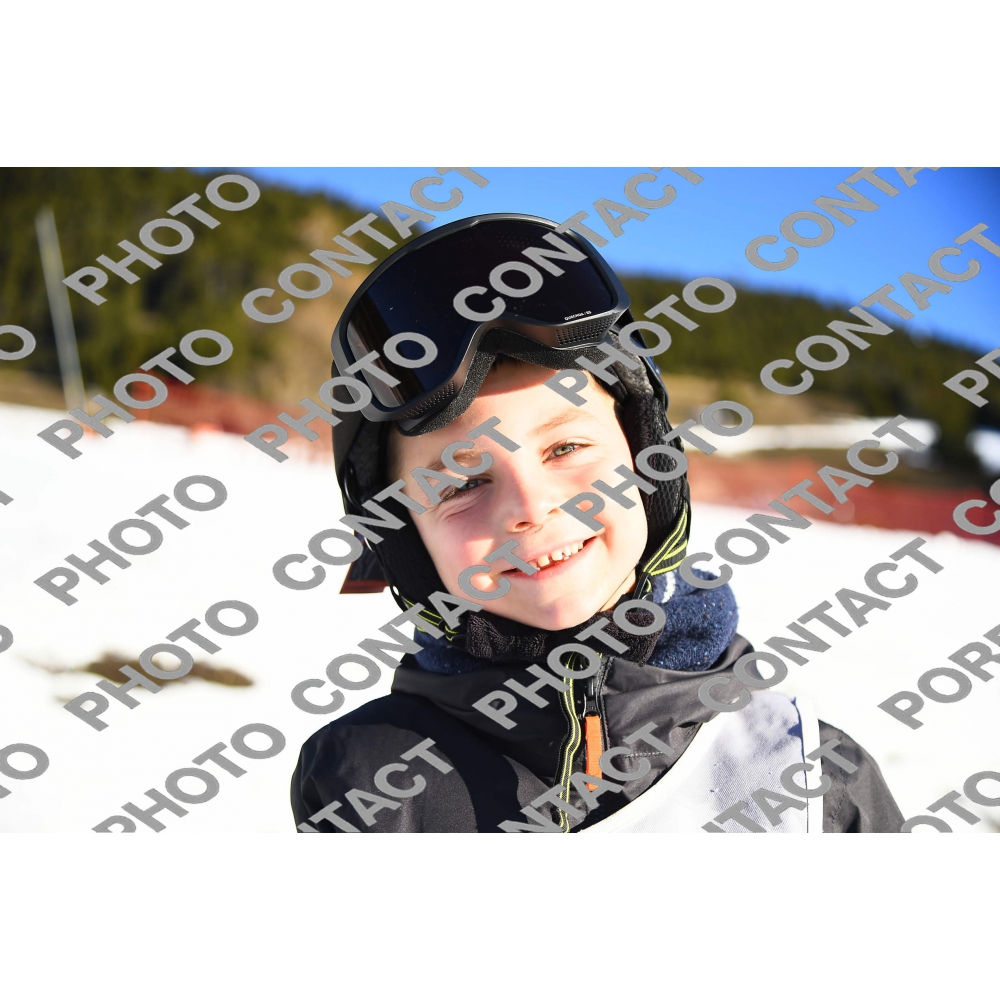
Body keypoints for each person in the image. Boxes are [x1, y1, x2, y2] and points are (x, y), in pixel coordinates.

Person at [290, 214, 904, 833]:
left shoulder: (811, 775)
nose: (530, 507)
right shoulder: (364, 782)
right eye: (463, 484)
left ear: (645, 460)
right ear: (404, 541)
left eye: (565, 448)